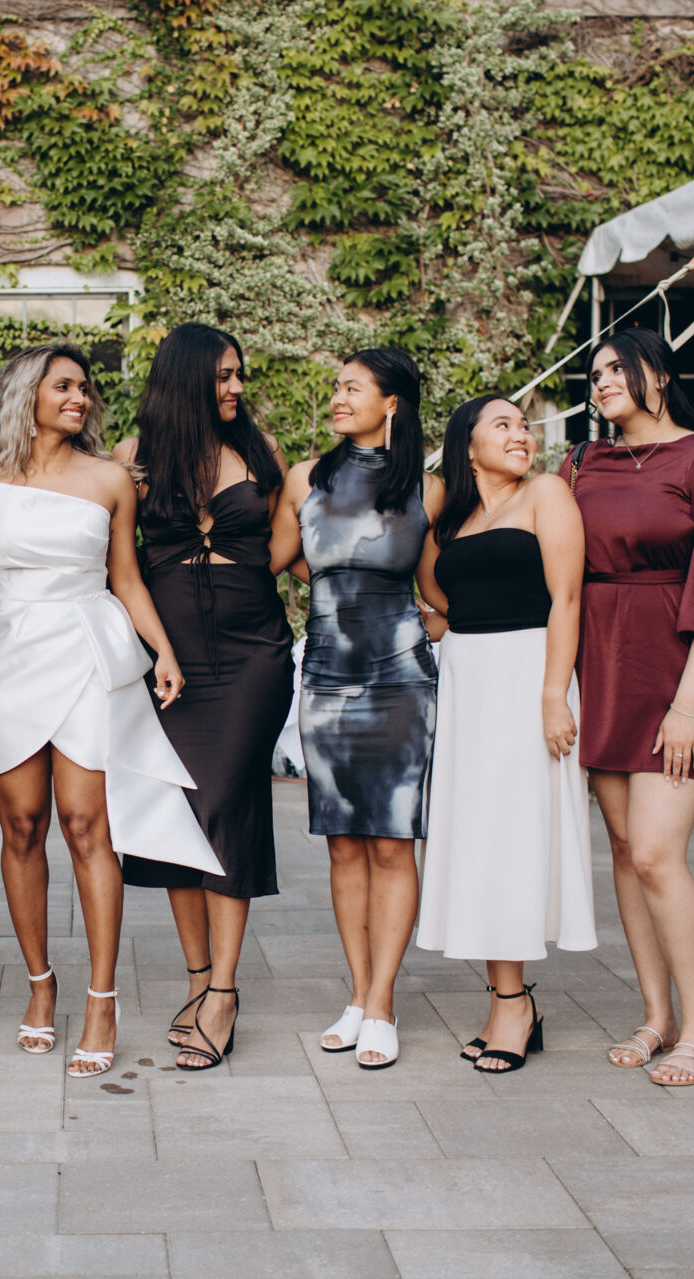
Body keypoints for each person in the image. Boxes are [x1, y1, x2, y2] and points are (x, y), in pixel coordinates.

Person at [0, 342, 220, 1080]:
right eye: (63, 385)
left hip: (87, 649)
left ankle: (103, 1000)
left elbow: (125, 577)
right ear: (27, 394)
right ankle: (41, 986)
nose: (80, 397)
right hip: (10, 654)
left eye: (84, 387)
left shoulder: (109, 479)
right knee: (20, 824)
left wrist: (162, 649)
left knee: (85, 823)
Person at [564, 326, 694, 1087]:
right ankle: (657, 1016)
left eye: (619, 368)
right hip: (603, 666)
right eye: (596, 373)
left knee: (654, 852)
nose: (603, 381)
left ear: (659, 375)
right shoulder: (580, 463)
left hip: (683, 673)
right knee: (623, 850)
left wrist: (687, 705)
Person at [111, 324, 291, 1071]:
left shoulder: (260, 450)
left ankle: (223, 991)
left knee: (226, 803)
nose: (236, 387)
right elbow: (120, 565)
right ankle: (196, 978)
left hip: (253, 653)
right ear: (186, 378)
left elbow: (283, 544)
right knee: (179, 815)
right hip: (171, 660)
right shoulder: (132, 458)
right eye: (222, 375)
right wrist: (154, 645)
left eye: (238, 373)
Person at [269, 347, 442, 1071]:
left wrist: (434, 623)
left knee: (393, 841)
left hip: (401, 679)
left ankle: (381, 1002)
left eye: (353, 387)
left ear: (391, 402)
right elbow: (278, 557)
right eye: (336, 386)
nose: (338, 397)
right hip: (327, 675)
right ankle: (358, 994)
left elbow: (435, 587)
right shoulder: (306, 478)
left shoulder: (429, 487)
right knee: (343, 842)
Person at [414, 395, 596, 1073]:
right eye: (504, 425)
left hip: (530, 675)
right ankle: (507, 1002)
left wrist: (553, 693)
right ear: (468, 445)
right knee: (481, 839)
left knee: (516, 839)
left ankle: (514, 1003)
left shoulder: (547, 493)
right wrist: (444, 625)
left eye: (524, 425)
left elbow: (568, 598)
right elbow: (439, 597)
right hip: (469, 684)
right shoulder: (450, 520)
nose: (521, 434)